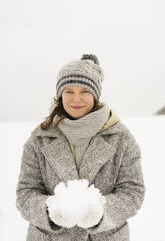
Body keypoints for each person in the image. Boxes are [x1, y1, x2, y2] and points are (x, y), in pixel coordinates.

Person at [16, 54, 145, 241]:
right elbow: (25, 193)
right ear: (60, 95)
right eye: (69, 91)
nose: (76, 99)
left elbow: (133, 192)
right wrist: (49, 209)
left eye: (85, 91)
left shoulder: (121, 138)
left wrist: (101, 210)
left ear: (95, 94)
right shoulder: (39, 138)